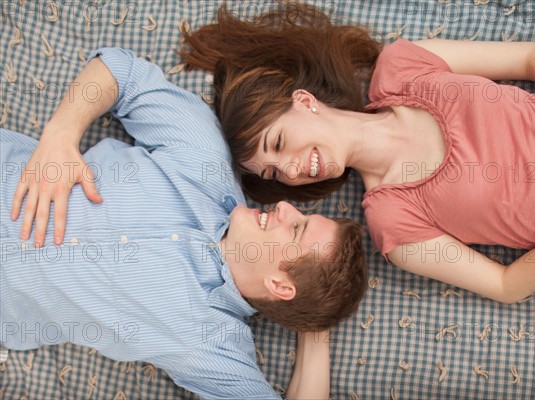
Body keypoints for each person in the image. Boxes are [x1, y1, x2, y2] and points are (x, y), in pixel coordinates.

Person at [1, 47, 367, 399]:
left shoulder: (212, 345)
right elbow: (119, 69)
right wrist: (62, 133)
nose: (286, 206)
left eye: (297, 229)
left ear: (280, 285)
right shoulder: (205, 159)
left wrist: (315, 325)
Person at [178, 4, 535, 304]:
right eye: (274, 173)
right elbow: (508, 285)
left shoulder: (401, 67)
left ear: (304, 101)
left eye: (278, 143)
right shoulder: (394, 224)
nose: (289, 168)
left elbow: (532, 57)